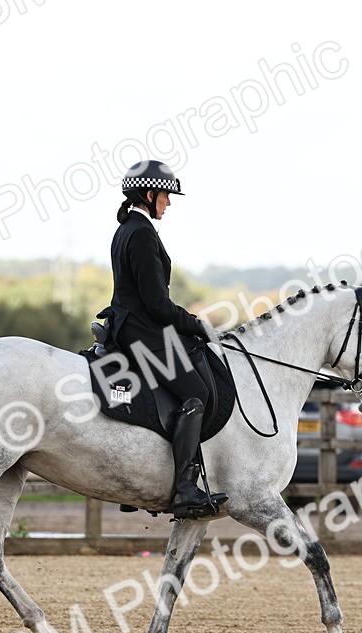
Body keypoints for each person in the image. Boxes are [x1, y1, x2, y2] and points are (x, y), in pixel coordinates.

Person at [99, 160, 223, 519]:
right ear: (149, 194)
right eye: (166, 195)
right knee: (195, 393)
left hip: (132, 327)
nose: (169, 202)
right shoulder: (141, 233)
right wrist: (195, 324)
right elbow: (156, 304)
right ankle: (184, 488)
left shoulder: (127, 229)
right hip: (143, 332)